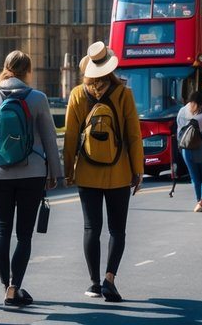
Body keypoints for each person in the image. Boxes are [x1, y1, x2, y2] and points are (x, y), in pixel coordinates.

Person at [0, 50, 62, 308]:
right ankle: (15, 286)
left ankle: (6, 286)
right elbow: (49, 137)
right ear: (27, 71)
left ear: (5, 68)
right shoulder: (37, 98)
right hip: (33, 172)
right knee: (24, 235)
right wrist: (55, 172)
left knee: (1, 229)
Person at [63, 41, 143, 304]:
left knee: (91, 228)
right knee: (117, 231)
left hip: (87, 172)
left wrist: (68, 170)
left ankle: (94, 283)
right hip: (119, 172)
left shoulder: (76, 94)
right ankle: (110, 279)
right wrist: (138, 171)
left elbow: (71, 138)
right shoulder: (123, 94)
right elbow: (133, 136)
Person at [176, 89, 202, 211]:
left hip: (186, 150)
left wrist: (180, 148)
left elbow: (178, 132)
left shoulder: (182, 111)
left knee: (194, 177)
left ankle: (198, 201)